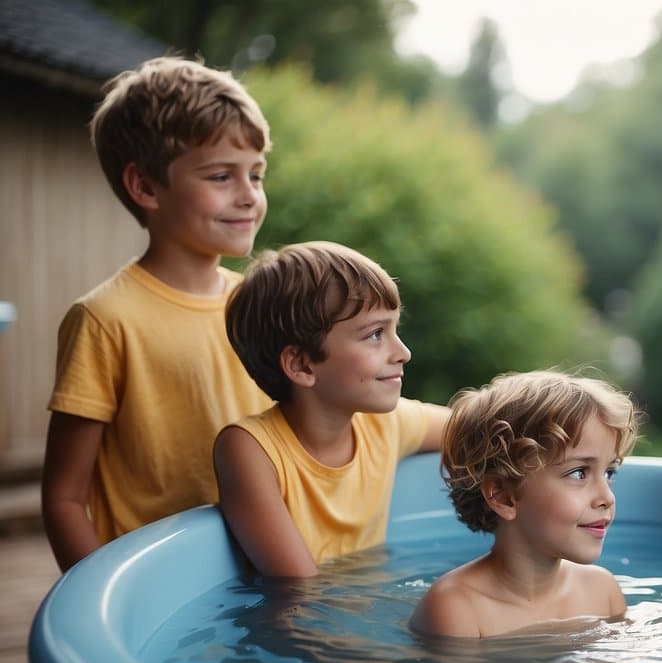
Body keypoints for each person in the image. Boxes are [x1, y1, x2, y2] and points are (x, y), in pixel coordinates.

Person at [42, 57, 273, 571]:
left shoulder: (259, 307)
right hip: (156, 582)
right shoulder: (105, 319)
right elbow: (63, 498)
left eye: (256, 175)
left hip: (257, 570)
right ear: (145, 187)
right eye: (221, 176)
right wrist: (103, 607)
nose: (249, 196)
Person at [215, 241, 449, 577]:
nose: (403, 352)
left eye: (395, 329)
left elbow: (477, 428)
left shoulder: (385, 425)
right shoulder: (251, 450)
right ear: (302, 365)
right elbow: (300, 592)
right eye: (375, 334)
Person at [409, 371, 638, 638]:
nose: (607, 498)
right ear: (503, 496)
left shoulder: (603, 591)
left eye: (609, 472)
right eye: (579, 473)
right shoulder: (456, 609)